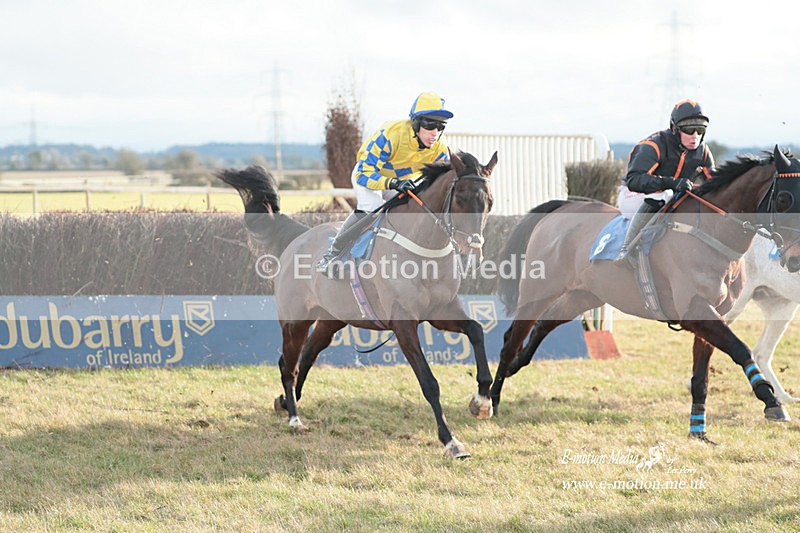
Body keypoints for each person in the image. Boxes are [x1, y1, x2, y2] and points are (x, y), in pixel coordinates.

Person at [316, 91, 453, 275]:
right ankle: (331, 255)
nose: (435, 132)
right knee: (372, 206)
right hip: (369, 174)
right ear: (416, 123)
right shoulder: (390, 135)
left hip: (397, 181)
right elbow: (364, 174)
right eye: (430, 125)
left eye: (440, 126)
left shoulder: (440, 149)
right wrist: (393, 183)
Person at [615, 99, 716, 262]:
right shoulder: (653, 146)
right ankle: (626, 249)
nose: (695, 136)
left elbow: (715, 184)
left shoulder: (703, 151)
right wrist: (670, 183)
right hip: (634, 195)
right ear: (675, 129)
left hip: (670, 197)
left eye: (700, 130)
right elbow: (634, 180)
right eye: (689, 130)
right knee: (665, 194)